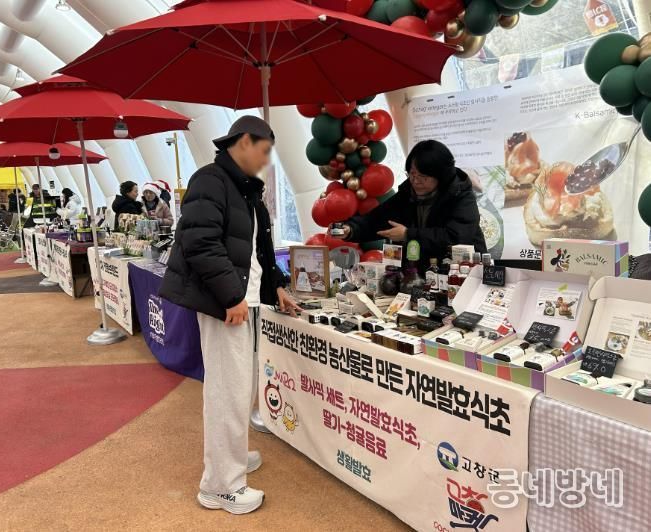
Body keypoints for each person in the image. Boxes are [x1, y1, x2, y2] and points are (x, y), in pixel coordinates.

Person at [159, 116, 300, 515]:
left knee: (241, 387)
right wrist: (231, 296)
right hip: (226, 305)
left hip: (244, 301)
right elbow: (200, 243)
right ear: (244, 142)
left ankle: (232, 457)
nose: (267, 160)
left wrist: (276, 287)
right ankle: (220, 485)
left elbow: (258, 250)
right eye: (265, 150)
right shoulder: (210, 180)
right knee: (227, 391)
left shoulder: (244, 188)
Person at [334, 140, 486, 271]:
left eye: (423, 176)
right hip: (423, 272)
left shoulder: (460, 195)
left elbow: (455, 237)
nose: (416, 181)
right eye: (412, 174)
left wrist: (408, 234)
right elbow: (378, 219)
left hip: (464, 271)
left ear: (441, 176)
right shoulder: (408, 193)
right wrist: (350, 229)